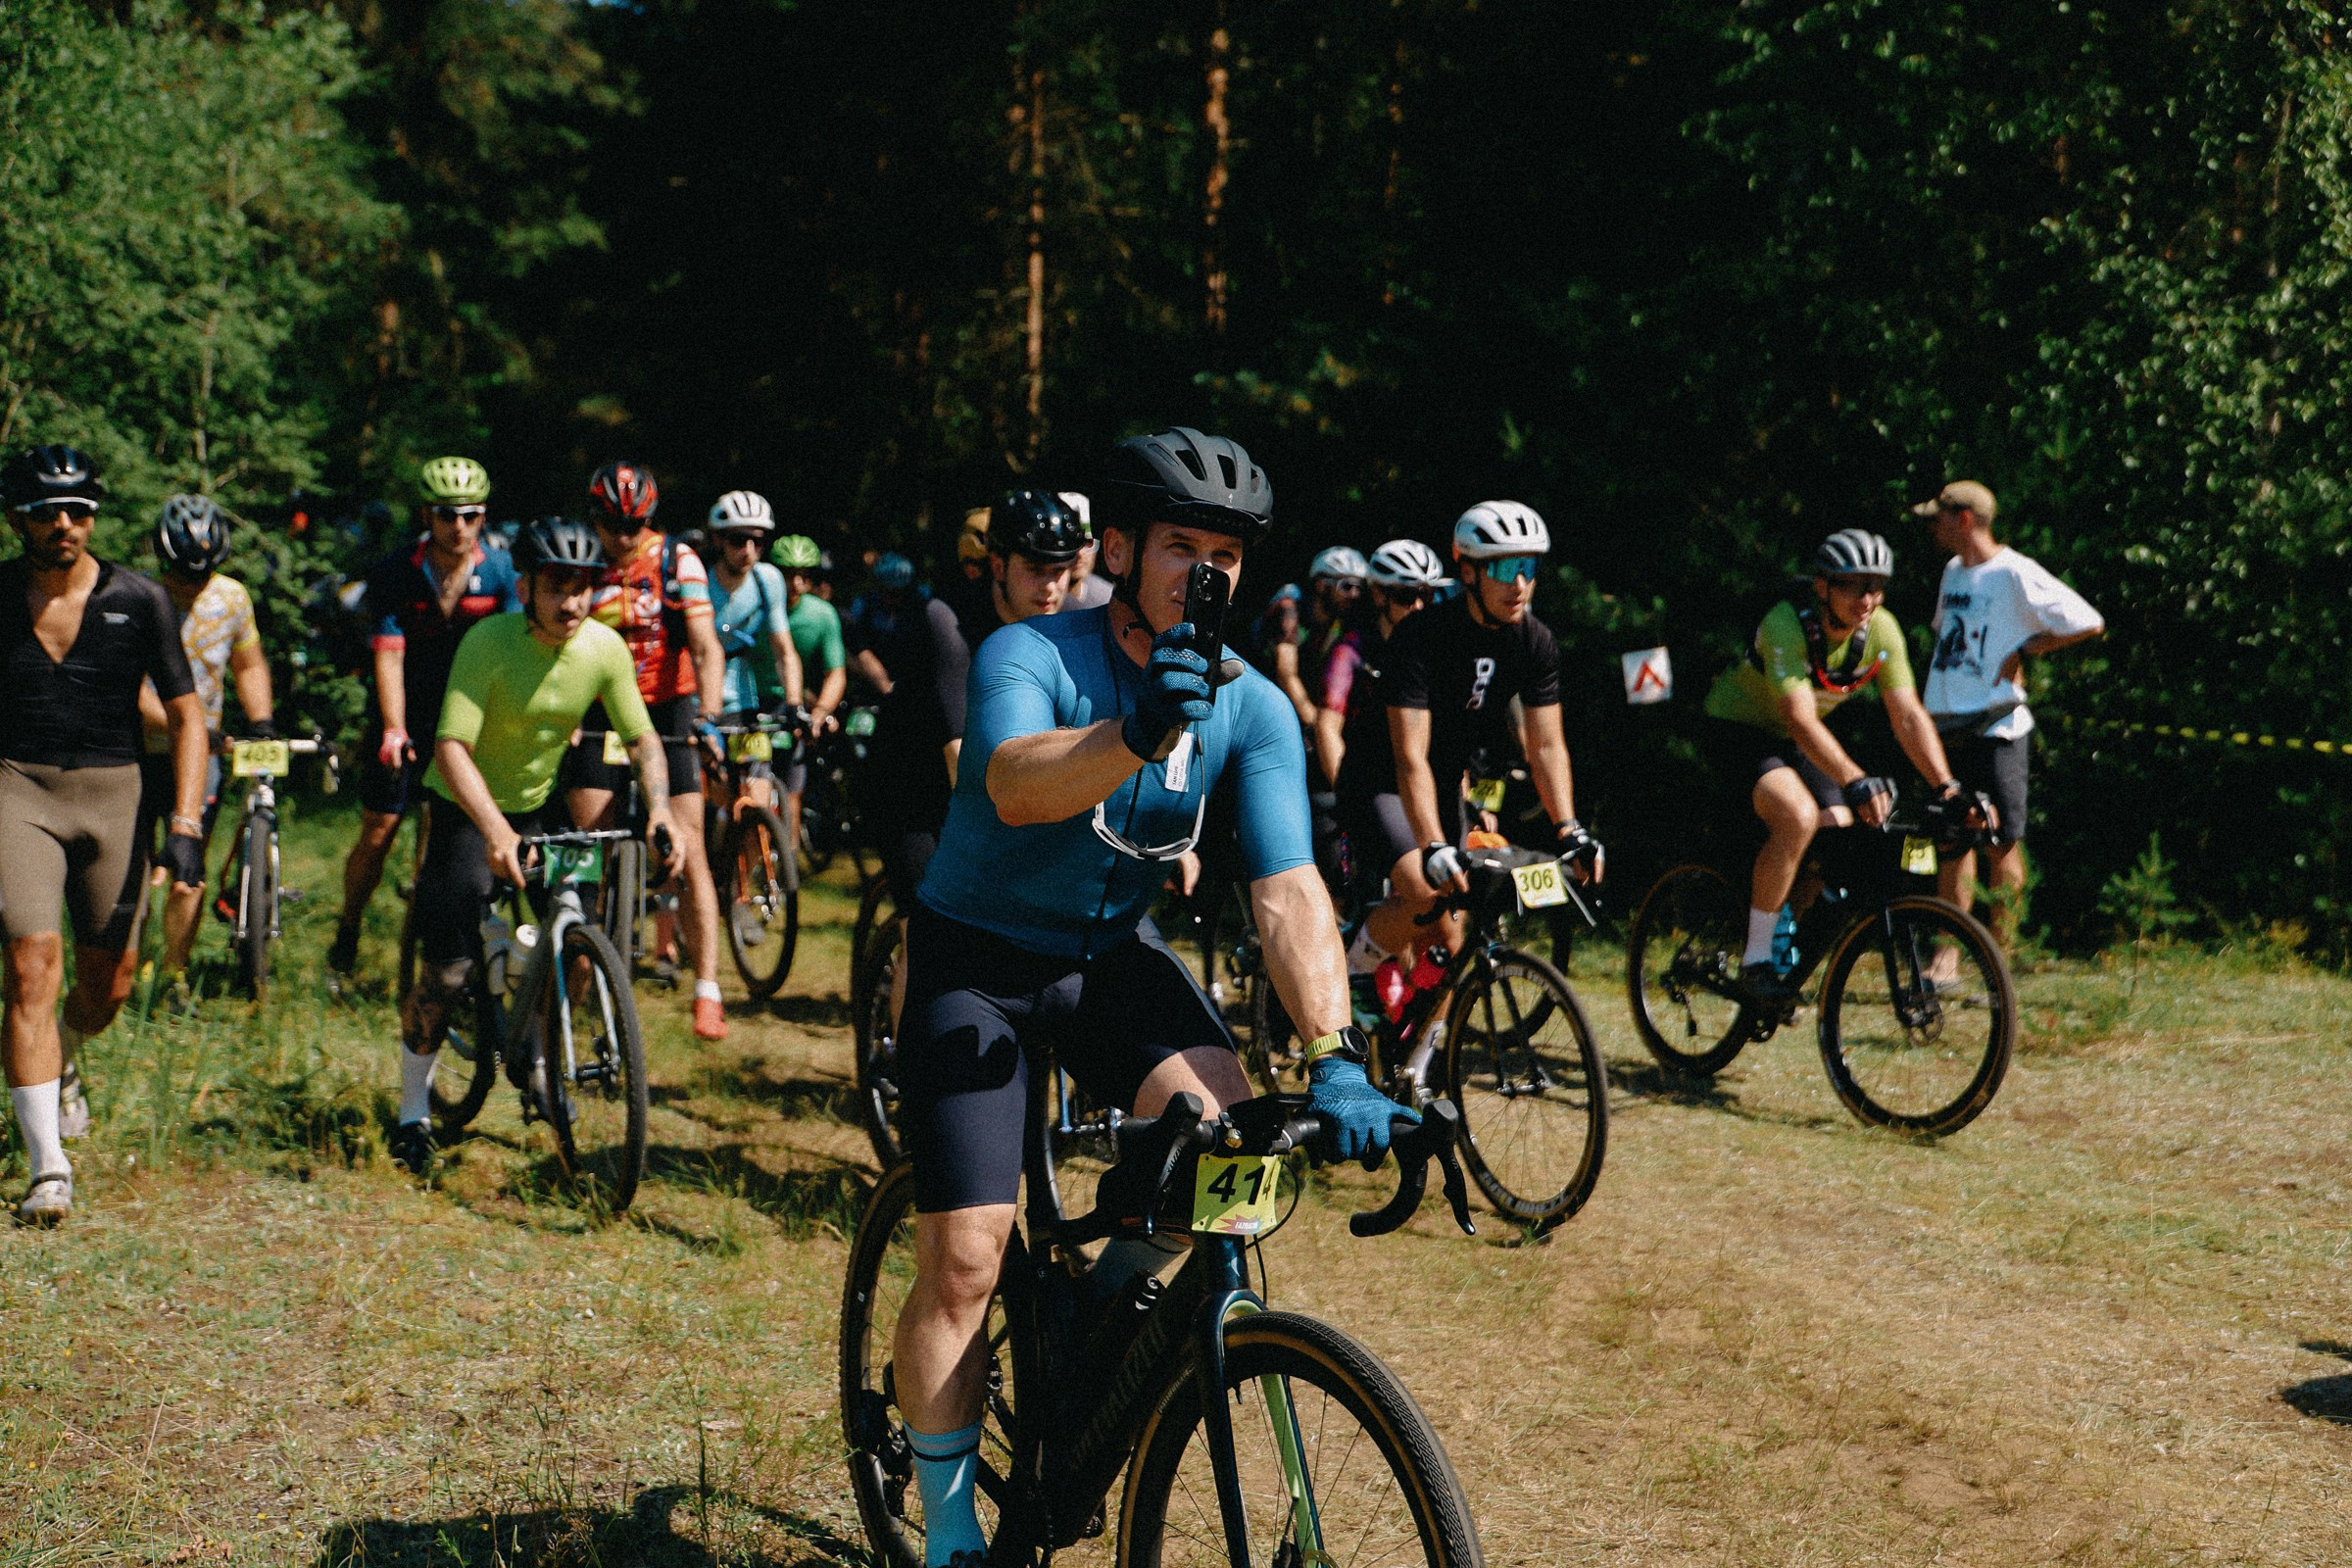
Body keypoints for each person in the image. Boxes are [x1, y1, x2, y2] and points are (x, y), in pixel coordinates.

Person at [888, 427, 1404, 1568]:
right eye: (1181, 546)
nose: (1205, 573)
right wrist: (1135, 731)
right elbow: (1017, 786)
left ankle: (1094, 1306)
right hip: (976, 957)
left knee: (1232, 1155)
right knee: (969, 1257)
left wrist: (1335, 1047)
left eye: (1227, 551)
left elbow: (1286, 886)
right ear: (1119, 548)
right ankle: (945, 1523)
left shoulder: (1254, 706)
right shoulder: (1031, 650)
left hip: (1107, 951)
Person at [392, 516, 685, 1176]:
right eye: (557, 587)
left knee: (579, 939)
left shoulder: (603, 649)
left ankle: (536, 1055)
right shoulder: (486, 642)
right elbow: (450, 747)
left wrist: (662, 810)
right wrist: (494, 830)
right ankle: (412, 1112)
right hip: (466, 808)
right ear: (525, 585)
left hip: (536, 809)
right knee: (448, 974)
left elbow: (642, 739)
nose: (572, 603)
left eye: (582, 587)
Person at [1, 446, 208, 1225]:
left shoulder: (141, 598)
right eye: (49, 510)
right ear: (18, 516)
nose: (66, 524)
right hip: (16, 785)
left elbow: (187, 715)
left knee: (107, 986)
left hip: (115, 795)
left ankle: (66, 1057)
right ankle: (48, 1166)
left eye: (80, 510)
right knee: (30, 965)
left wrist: (185, 823)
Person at [1702, 527, 1980, 1003]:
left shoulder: (1881, 630)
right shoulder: (1786, 623)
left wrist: (1947, 786)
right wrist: (1853, 778)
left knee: (1841, 828)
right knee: (1798, 816)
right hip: (1737, 728)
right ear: (1823, 586)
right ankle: (1755, 959)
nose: (1866, 599)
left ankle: (1782, 932)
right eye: (1853, 586)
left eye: (1875, 587)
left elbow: (1909, 716)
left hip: (1795, 740)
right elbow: (1798, 717)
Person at [1354, 504, 1600, 972]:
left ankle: (1429, 1039)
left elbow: (1547, 746)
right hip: (1380, 781)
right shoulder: (1421, 637)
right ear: (1468, 572)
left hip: (1444, 782)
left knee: (1452, 927)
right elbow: (1410, 757)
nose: (1521, 584)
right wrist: (1432, 845)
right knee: (1426, 890)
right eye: (1507, 568)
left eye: (1529, 568)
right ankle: (1354, 972)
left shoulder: (1534, 640)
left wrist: (1569, 828)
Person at [559, 461, 734, 1040]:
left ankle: (708, 988)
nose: (625, 536)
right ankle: (578, 979)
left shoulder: (676, 560)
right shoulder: (583, 561)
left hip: (668, 706)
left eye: (637, 524)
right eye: (614, 524)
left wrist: (708, 717)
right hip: (598, 706)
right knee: (592, 851)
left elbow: (707, 648)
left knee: (689, 848)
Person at [327, 457, 520, 977]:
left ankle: (450, 949)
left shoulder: (501, 573)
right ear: (426, 515)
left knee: (456, 838)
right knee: (379, 830)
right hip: (403, 711)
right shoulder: (396, 570)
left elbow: (509, 657)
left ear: (483, 517)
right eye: (445, 514)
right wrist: (394, 727)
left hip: (466, 721)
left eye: (470, 515)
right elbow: (388, 652)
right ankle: (348, 928)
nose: (457, 527)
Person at [1914, 479, 2103, 952]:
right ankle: (1947, 957)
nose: (1932, 526)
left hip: (1997, 724)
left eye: (1938, 516)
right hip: (1946, 722)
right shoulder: (1953, 571)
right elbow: (1946, 633)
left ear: (1964, 519)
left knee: (2001, 840)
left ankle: (1999, 957)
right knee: (1953, 839)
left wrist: (2030, 647)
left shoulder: (2015, 572)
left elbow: (2087, 620)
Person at [135, 496, 277, 1001]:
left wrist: (261, 722)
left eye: (203, 573)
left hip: (202, 755)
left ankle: (173, 970)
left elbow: (248, 664)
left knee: (186, 867)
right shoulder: (136, 596)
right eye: (182, 574)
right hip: (135, 748)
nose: (192, 585)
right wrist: (184, 724)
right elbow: (128, 689)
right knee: (132, 870)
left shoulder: (233, 599)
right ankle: (122, 962)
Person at [1325, 538, 1446, 895]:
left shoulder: (1435, 654)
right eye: (1407, 597)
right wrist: (1341, 797)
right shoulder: (1352, 650)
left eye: (1428, 595)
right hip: (1362, 783)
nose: (1420, 605)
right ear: (1379, 596)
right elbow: (1329, 728)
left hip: (1413, 786)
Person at [706, 490, 806, 814]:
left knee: (758, 801)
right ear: (719, 540)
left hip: (743, 700)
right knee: (712, 801)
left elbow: (784, 651)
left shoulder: (769, 580)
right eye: (738, 540)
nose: (748, 551)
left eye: (757, 542)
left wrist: (794, 703)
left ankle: (755, 856)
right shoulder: (699, 580)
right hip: (698, 700)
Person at [770, 533, 848, 855]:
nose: (796, 583)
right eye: (787, 574)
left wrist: (820, 712)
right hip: (752, 701)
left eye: (804, 575)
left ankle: (785, 876)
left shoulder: (822, 615)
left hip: (794, 705)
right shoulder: (755, 602)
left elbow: (836, 672)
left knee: (791, 794)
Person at [1057, 491, 1113, 610]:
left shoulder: (1106, 599)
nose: (1080, 553)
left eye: (1088, 542)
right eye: (1071, 543)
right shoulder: (1040, 601)